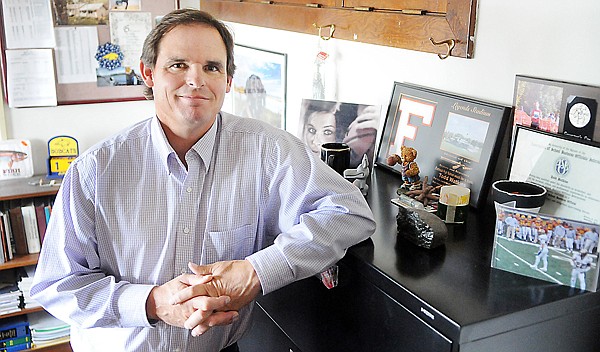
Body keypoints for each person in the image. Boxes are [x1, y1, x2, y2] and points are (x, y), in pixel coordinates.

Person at [30, 9, 376, 352]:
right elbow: (57, 284)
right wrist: (153, 303)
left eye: (211, 67)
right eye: (178, 65)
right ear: (148, 73)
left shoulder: (269, 150)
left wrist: (256, 272)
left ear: (227, 81)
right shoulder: (95, 170)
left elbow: (350, 213)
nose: (196, 80)